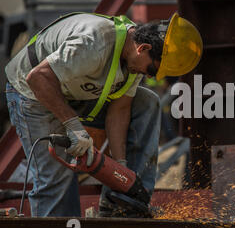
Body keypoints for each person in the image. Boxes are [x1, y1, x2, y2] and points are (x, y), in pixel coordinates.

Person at [4, 12, 202, 217]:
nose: (150, 76)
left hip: (75, 89)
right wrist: (73, 126)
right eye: (151, 69)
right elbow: (38, 78)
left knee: (146, 102)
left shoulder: (133, 57)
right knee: (57, 180)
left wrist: (120, 169)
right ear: (144, 48)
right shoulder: (93, 43)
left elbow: (120, 110)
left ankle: (124, 203)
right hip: (33, 91)